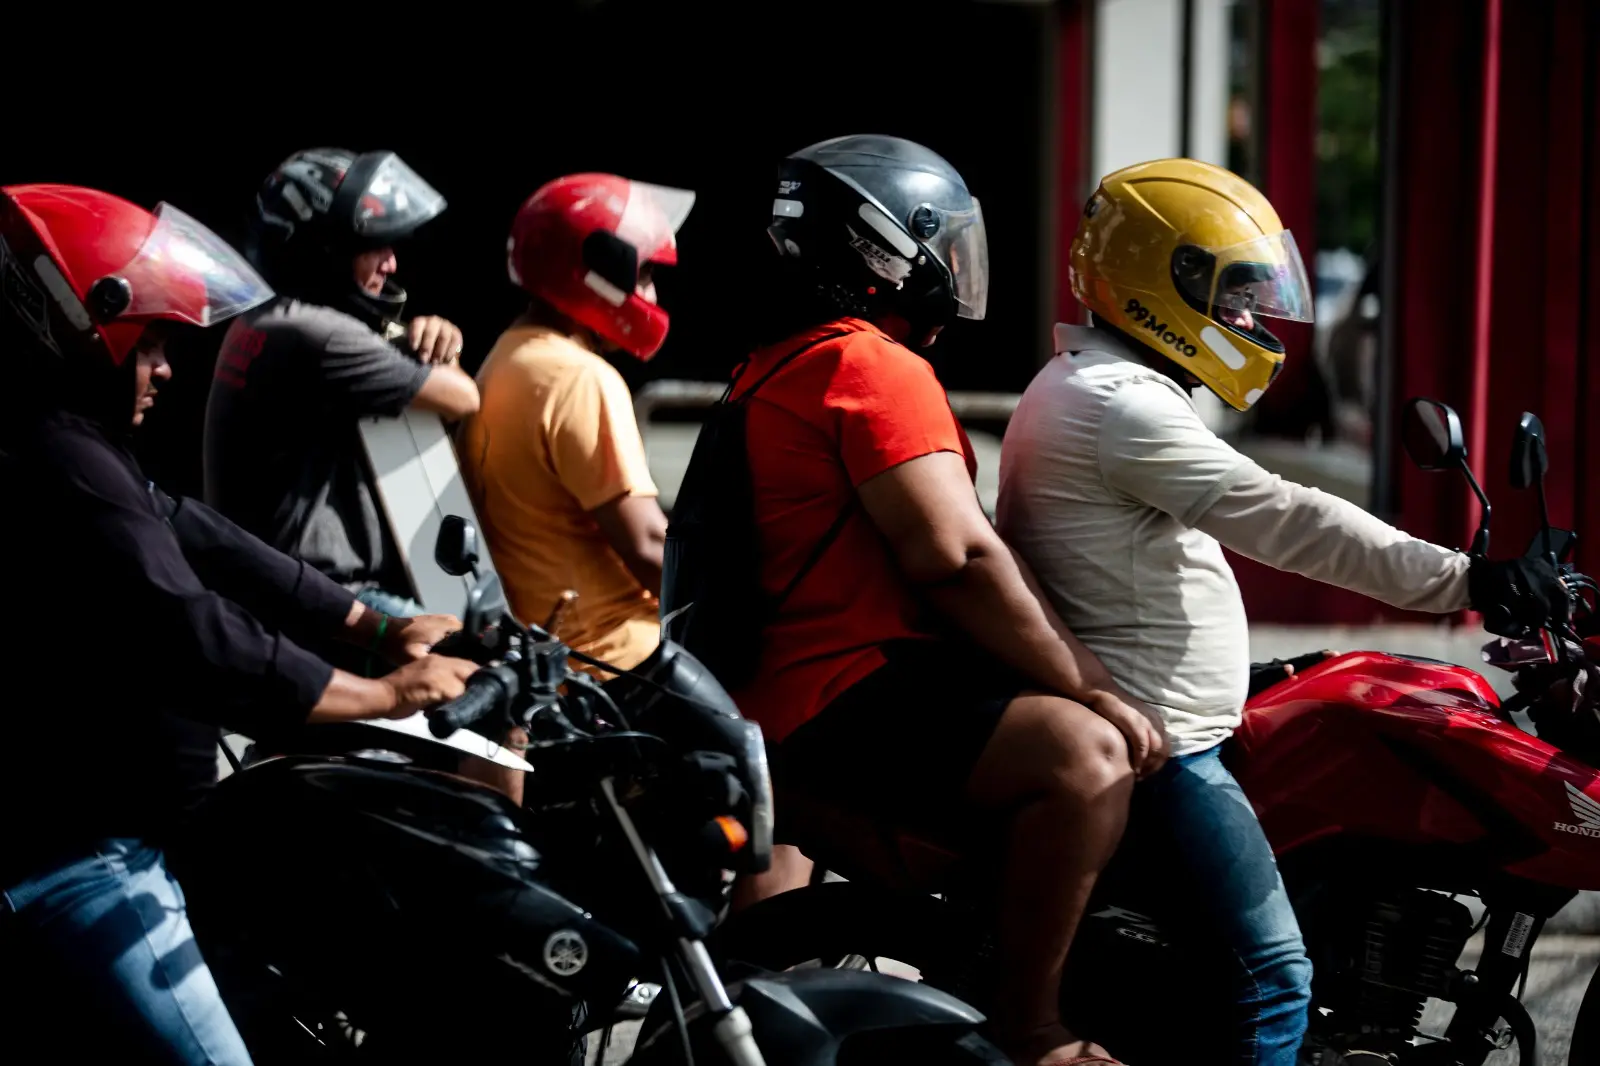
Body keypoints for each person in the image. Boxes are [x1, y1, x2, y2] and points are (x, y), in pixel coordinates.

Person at [995, 158, 1567, 1066]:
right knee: (1273, 975)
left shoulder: (1100, 389)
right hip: (1167, 748)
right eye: (1234, 302)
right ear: (1162, 281)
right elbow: (1287, 517)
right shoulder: (1117, 405)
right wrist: (1467, 579)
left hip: (1181, 719)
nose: (1254, 325)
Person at [0, 184, 478, 1065]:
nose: (167, 368)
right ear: (89, 327)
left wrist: (374, 627)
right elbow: (195, 629)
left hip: (157, 829)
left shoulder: (80, 445)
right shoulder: (58, 458)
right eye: (150, 343)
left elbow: (203, 534)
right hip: (96, 860)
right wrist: (381, 693)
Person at [714, 135, 1164, 1066]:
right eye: (941, 247)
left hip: (786, 702)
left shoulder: (776, 363)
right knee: (1085, 760)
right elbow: (958, 557)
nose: (955, 274)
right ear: (885, 253)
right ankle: (1032, 1024)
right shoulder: (871, 369)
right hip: (839, 696)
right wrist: (1095, 685)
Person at [203, 148, 480, 656]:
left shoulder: (262, 320)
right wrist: (447, 345)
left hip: (276, 593)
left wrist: (422, 336)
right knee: (490, 665)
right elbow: (462, 398)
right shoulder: (318, 335)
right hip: (326, 603)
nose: (392, 262)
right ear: (321, 250)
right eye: (374, 247)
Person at [458, 174, 691, 674]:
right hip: (618, 658)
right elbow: (650, 546)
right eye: (646, 273)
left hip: (551, 660)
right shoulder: (579, 377)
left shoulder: (504, 359)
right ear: (600, 270)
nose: (651, 291)